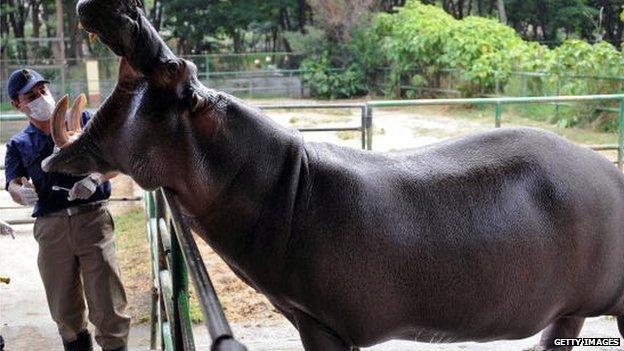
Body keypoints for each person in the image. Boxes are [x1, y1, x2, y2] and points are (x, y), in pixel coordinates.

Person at [4, 68, 130, 351]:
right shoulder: (19, 144)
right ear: (17, 104)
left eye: (43, 91)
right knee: (65, 310)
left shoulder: (84, 121)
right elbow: (12, 183)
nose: (41, 98)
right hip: (52, 228)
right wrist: (20, 192)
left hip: (92, 221)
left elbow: (115, 162)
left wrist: (95, 178)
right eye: (31, 96)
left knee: (108, 304)